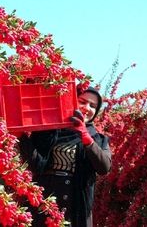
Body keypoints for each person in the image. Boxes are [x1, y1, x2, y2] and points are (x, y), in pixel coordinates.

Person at [19, 86, 112, 227]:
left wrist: (86, 137)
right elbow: (35, 164)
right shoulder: (50, 130)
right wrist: (22, 138)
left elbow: (104, 167)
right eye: (82, 101)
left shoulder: (98, 139)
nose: (87, 108)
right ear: (71, 100)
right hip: (46, 200)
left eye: (93, 106)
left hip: (77, 204)